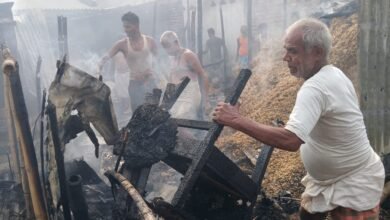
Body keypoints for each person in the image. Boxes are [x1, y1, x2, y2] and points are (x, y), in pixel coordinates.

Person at [213, 18, 384, 219]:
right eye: (286, 50)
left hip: (352, 183)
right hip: (325, 181)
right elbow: (331, 121)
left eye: (293, 51)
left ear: (317, 52)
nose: (285, 57)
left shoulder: (315, 87)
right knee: (307, 215)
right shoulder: (333, 73)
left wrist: (235, 120)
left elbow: (290, 140)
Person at [98, 11, 158, 112]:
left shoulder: (150, 41)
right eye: (124, 27)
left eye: (128, 27)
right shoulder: (122, 44)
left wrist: (150, 71)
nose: (125, 30)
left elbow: (157, 61)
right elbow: (105, 58)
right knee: (137, 115)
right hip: (134, 84)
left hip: (150, 82)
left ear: (136, 25)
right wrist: (98, 71)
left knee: (154, 114)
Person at [160, 31, 209, 120]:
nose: (166, 50)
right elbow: (172, 77)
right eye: (165, 47)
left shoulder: (188, 55)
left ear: (176, 42)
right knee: (171, 120)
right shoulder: (172, 58)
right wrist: (166, 99)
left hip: (190, 94)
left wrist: (205, 100)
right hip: (177, 95)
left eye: (168, 46)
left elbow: (203, 75)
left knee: (183, 120)